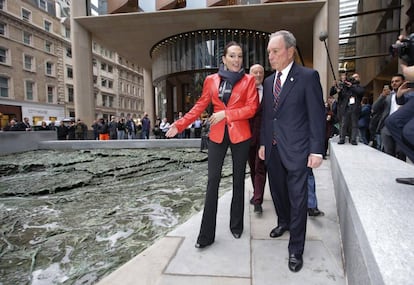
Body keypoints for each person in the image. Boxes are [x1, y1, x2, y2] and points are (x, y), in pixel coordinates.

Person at [166, 41, 258, 248]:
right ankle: (206, 236)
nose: (236, 60)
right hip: (217, 135)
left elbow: (252, 108)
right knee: (212, 182)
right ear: (224, 59)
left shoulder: (249, 80)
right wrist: (180, 125)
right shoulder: (211, 80)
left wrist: (226, 113)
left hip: (240, 134)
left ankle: (236, 226)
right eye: (232, 56)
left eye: (240, 56)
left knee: (237, 182)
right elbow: (199, 106)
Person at [258, 30, 325, 272]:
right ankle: (283, 222)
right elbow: (268, 116)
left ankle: (296, 249)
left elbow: (317, 116)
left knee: (298, 201)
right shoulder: (268, 81)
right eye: (269, 52)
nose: (271, 56)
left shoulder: (308, 77)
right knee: (277, 193)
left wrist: (317, 150)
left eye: (275, 51)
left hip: (297, 150)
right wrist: (265, 143)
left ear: (290, 51)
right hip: (274, 150)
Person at [371, 74, 406, 160]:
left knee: (401, 152)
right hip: (387, 128)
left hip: (402, 128)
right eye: (392, 82)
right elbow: (374, 108)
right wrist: (382, 96)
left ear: (403, 82)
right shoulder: (388, 96)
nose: (394, 83)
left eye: (397, 81)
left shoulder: (409, 95)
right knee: (388, 154)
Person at [247, 63, 267, 214]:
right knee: (252, 168)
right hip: (247, 137)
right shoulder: (244, 92)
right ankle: (256, 193)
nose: (258, 75)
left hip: (263, 137)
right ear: (250, 74)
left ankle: (258, 200)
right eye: (255, 72)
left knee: (260, 167)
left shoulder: (269, 91)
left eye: (261, 72)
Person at [336, 73, 365, 145]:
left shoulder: (359, 87)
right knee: (344, 124)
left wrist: (352, 86)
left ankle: (353, 139)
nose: (354, 79)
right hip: (347, 108)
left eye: (356, 77)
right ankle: (342, 138)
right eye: (353, 77)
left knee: (354, 124)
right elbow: (342, 96)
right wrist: (341, 89)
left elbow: (360, 92)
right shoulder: (347, 87)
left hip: (355, 108)